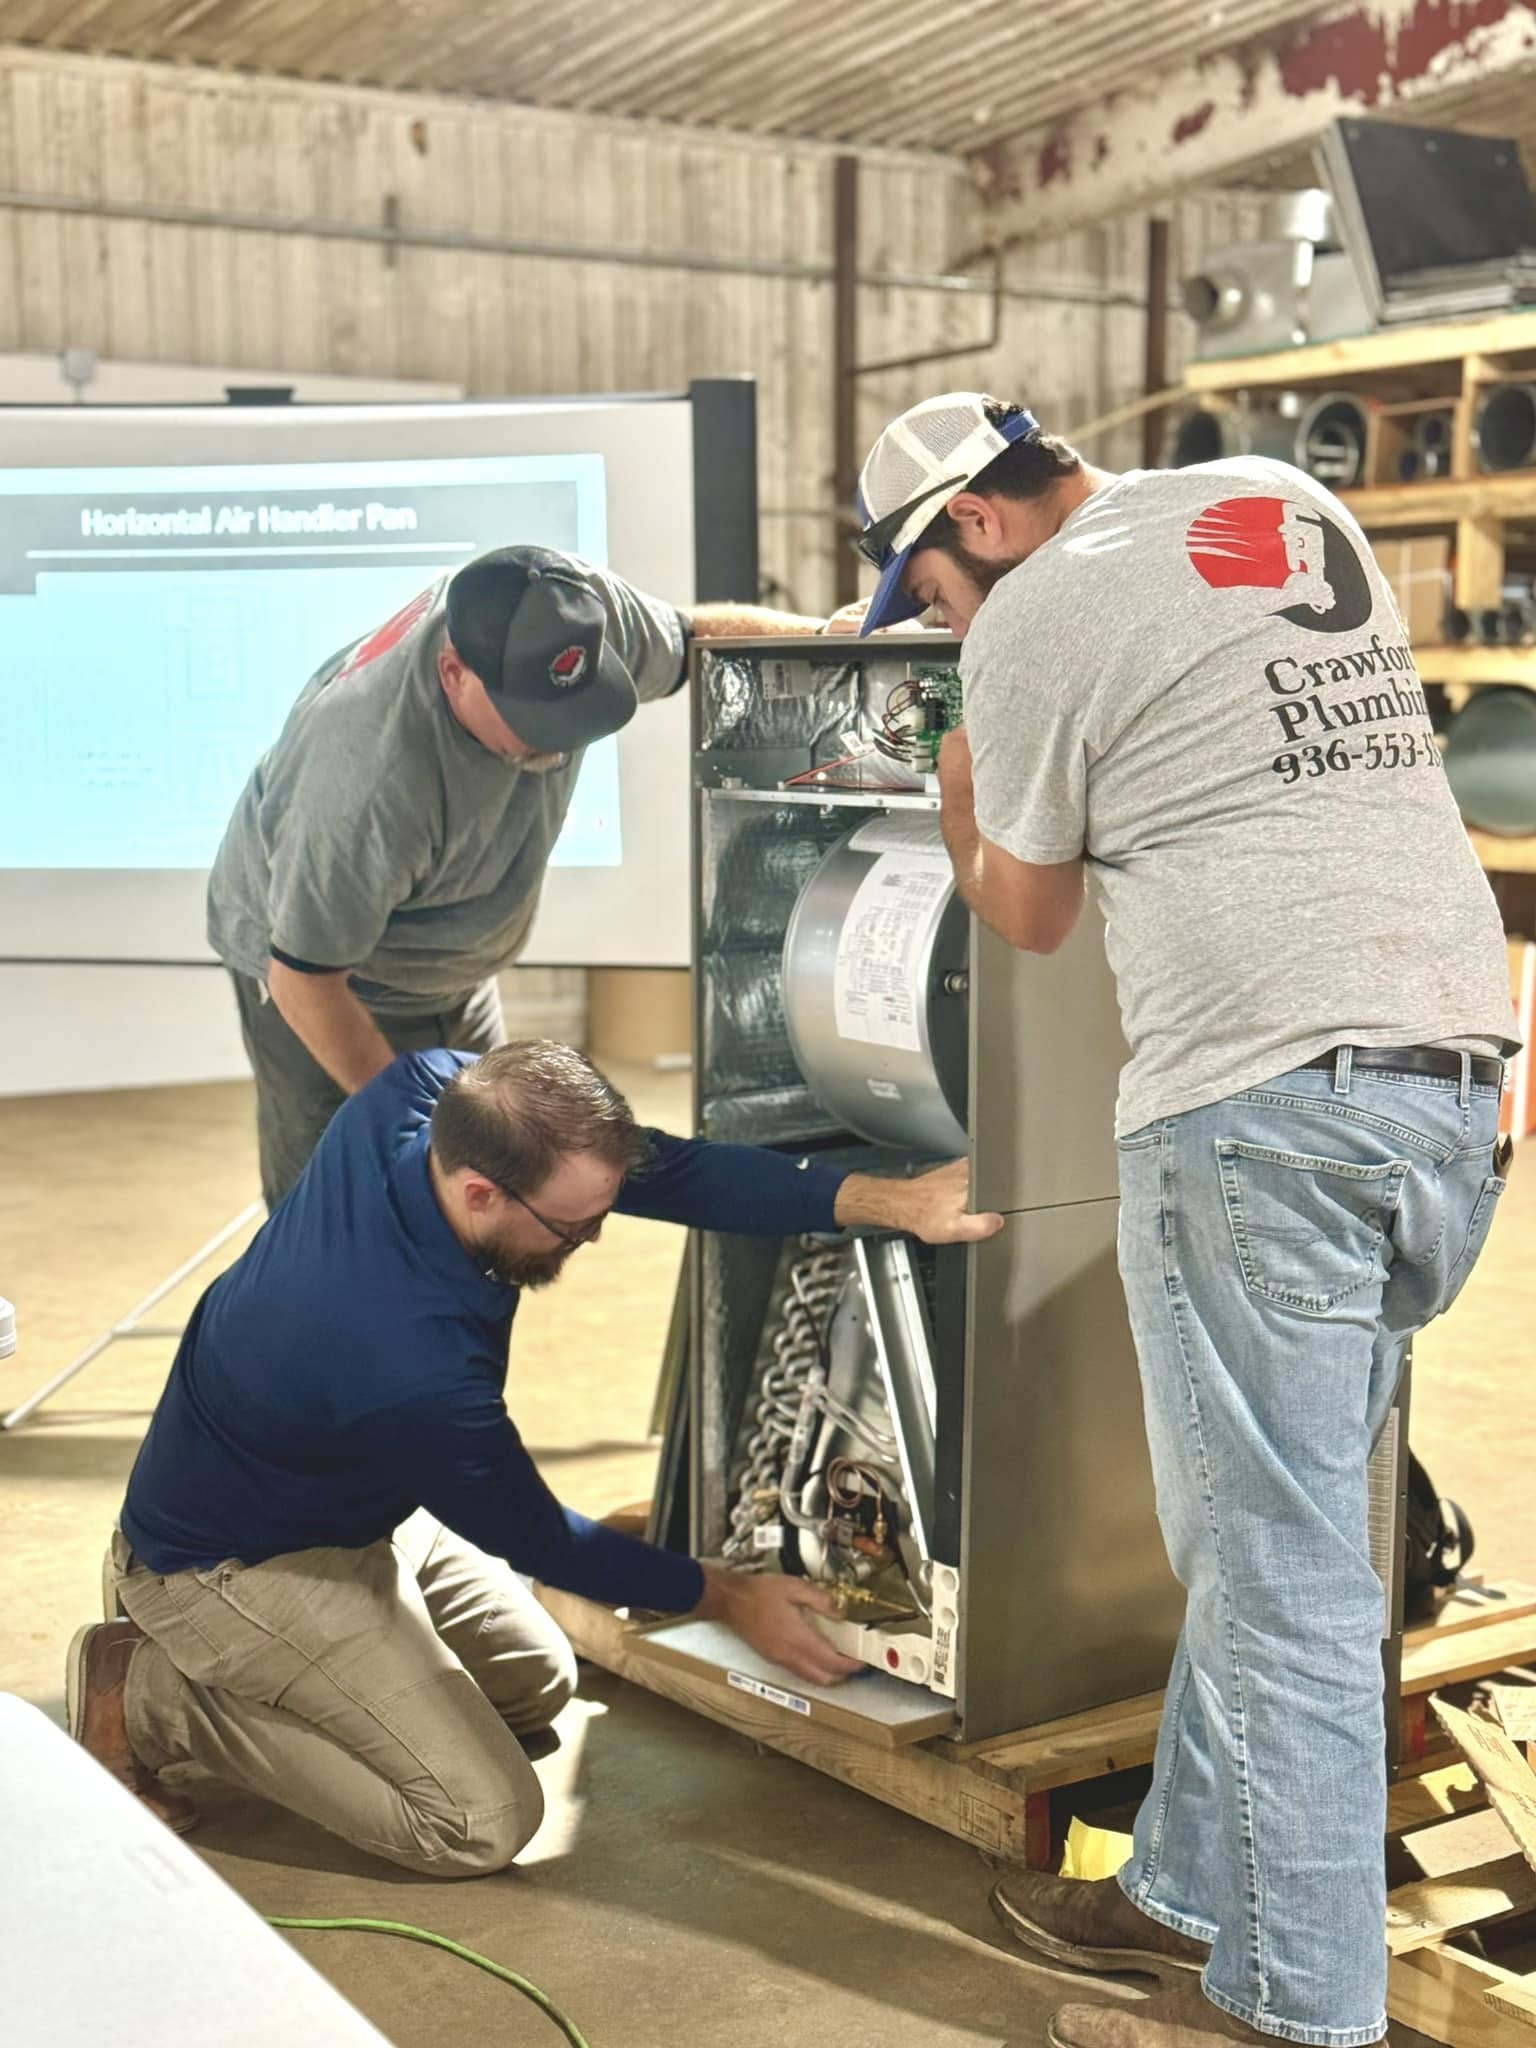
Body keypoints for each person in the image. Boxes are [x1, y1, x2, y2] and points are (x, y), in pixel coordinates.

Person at [852, 393, 1518, 2048]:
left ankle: (1290, 2013)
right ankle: (1187, 1887)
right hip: (1452, 1088)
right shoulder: (1283, 495)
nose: (947, 622)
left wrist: (957, 790)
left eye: (932, 592)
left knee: (1274, 1564)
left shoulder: (1031, 621)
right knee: (1276, 1530)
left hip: (1258, 1114)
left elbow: (1034, 901)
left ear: (979, 523)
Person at [67, 1040, 1001, 1875]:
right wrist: (728, 1596)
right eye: (573, 1227)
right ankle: (152, 1692)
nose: (592, 1237)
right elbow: (541, 1538)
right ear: (481, 1192)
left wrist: (887, 1201)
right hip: (231, 1567)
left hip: (355, 1503)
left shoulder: (429, 1093)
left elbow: (663, 1173)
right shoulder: (409, 1361)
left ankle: (311, 1677)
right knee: (479, 1818)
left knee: (535, 1686)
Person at [208, 547, 827, 1207]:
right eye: (534, 725)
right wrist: (420, 1126)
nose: (556, 748)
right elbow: (304, 981)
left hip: (454, 966)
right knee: (354, 1207)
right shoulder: (363, 782)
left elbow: (691, 637)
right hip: (325, 983)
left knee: (496, 1188)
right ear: (454, 673)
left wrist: (827, 635)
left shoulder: (572, 612)